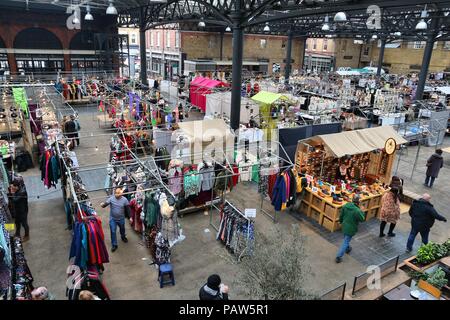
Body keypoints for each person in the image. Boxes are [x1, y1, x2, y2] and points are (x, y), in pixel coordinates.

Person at [335, 194, 365, 263]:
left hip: (344, 225)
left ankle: (348, 248)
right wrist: (362, 211)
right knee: (346, 241)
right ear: (358, 202)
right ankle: (338, 256)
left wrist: (340, 221)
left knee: (346, 238)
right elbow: (362, 219)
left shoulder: (346, 206)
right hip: (351, 228)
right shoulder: (357, 210)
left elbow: (341, 215)